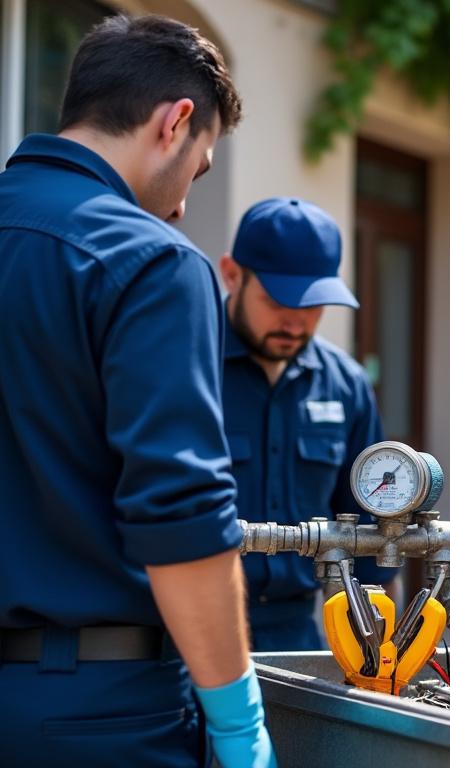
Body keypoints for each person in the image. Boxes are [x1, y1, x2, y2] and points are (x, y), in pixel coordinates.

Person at [0, 15, 273, 768]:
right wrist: (238, 721)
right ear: (175, 121)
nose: (185, 202)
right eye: (202, 165)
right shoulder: (151, 262)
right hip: (96, 714)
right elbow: (179, 517)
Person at [219, 197, 398, 651]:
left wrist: (378, 653)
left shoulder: (346, 385)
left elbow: (375, 535)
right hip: (192, 629)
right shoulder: (186, 368)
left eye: (313, 303)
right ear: (231, 274)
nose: (295, 320)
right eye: (278, 298)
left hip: (300, 633)